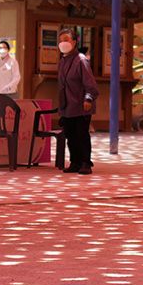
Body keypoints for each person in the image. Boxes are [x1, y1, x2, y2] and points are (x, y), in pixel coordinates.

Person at [54, 28, 97, 175]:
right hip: (67, 105)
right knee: (70, 135)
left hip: (81, 104)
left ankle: (85, 162)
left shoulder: (81, 60)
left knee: (81, 134)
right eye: (60, 40)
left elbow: (90, 83)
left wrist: (88, 98)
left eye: (66, 39)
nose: (63, 43)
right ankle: (75, 161)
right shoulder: (63, 61)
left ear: (74, 42)